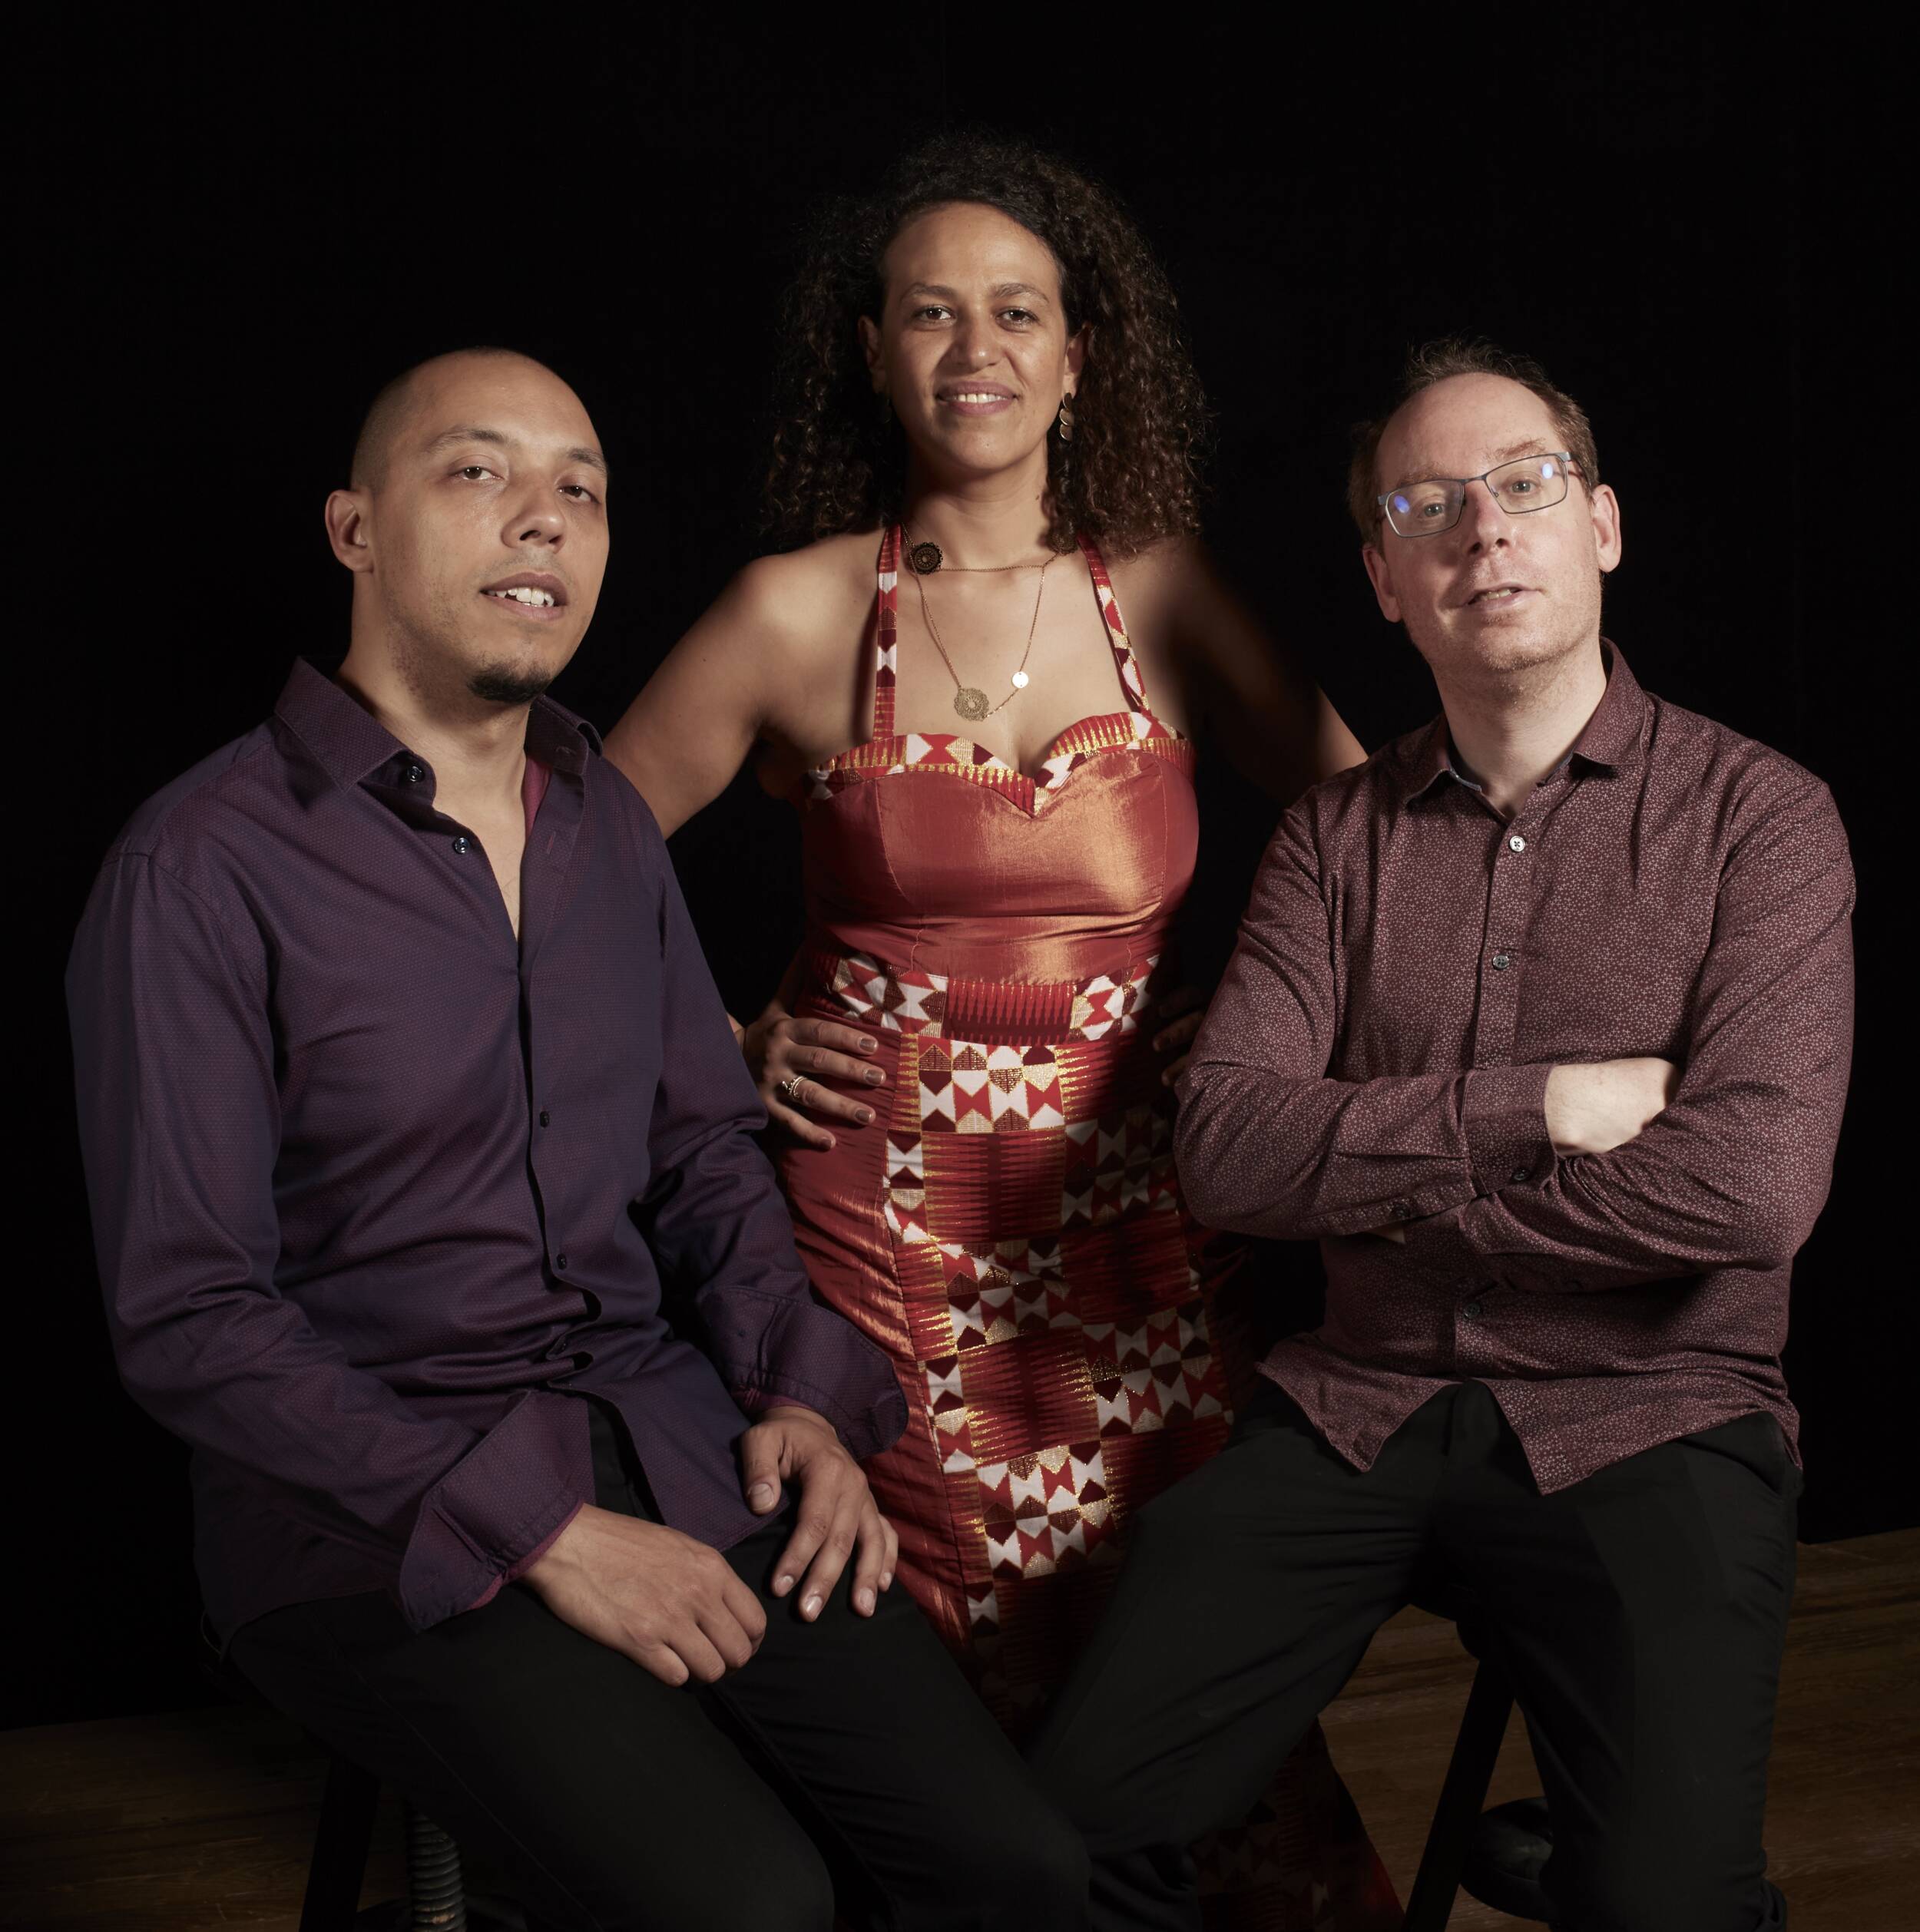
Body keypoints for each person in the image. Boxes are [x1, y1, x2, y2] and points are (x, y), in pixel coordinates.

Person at [66, 346, 1090, 1932]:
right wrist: (537, 1531)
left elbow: (700, 1156)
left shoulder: (602, 815)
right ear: (354, 529)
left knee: (1015, 1871)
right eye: (477, 472)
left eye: (582, 489)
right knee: (751, 1906)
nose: (543, 518)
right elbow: (190, 1317)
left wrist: (797, 1392)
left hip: (670, 1435)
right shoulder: (201, 866)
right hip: (369, 1515)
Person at [604, 134, 1397, 1930]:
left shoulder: (1164, 592)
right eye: (929, 312)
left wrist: (1261, 1023)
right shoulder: (794, 609)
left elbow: (1366, 842)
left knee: (1163, 1642)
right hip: (877, 1238)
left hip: (1131, 1241)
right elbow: (559, 864)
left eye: (1016, 311)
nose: (975, 348)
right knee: (943, 1655)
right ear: (870, 351)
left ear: (1079, 352)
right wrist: (717, 1044)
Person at [1027, 339, 1855, 1932]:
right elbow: (1227, 1153)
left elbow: (1750, 1192)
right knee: (1060, 1843)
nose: (1484, 530)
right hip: (1359, 1406)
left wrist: (1392, 1204)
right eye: (1429, 506)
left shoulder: (1762, 819)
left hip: (1651, 1416)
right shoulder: (1328, 842)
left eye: (1526, 485)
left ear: (1601, 525)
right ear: (1385, 582)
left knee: (1667, 1906)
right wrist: (1541, 1108)